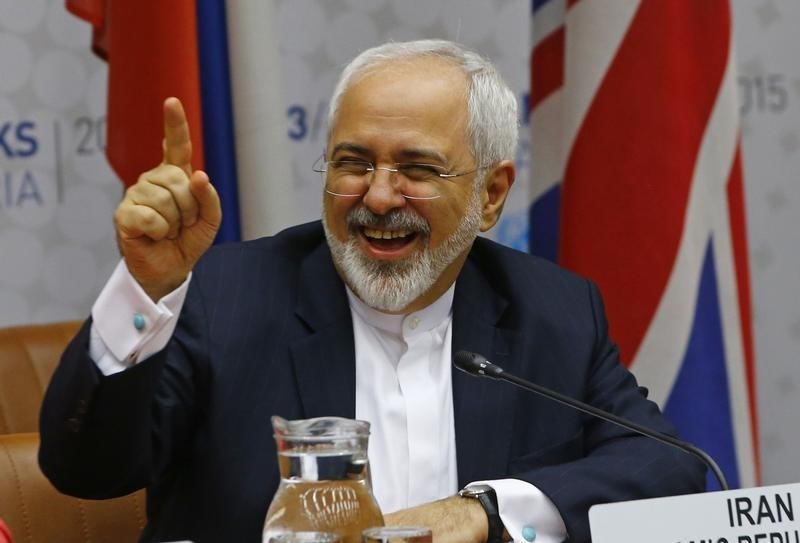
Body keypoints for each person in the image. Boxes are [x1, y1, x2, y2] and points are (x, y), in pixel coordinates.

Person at [39, 40, 705, 543]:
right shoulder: (225, 296)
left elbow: (667, 465)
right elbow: (84, 468)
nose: (379, 197)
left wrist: (485, 511)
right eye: (354, 162)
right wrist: (146, 288)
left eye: (417, 168)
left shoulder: (551, 311)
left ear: (491, 194)